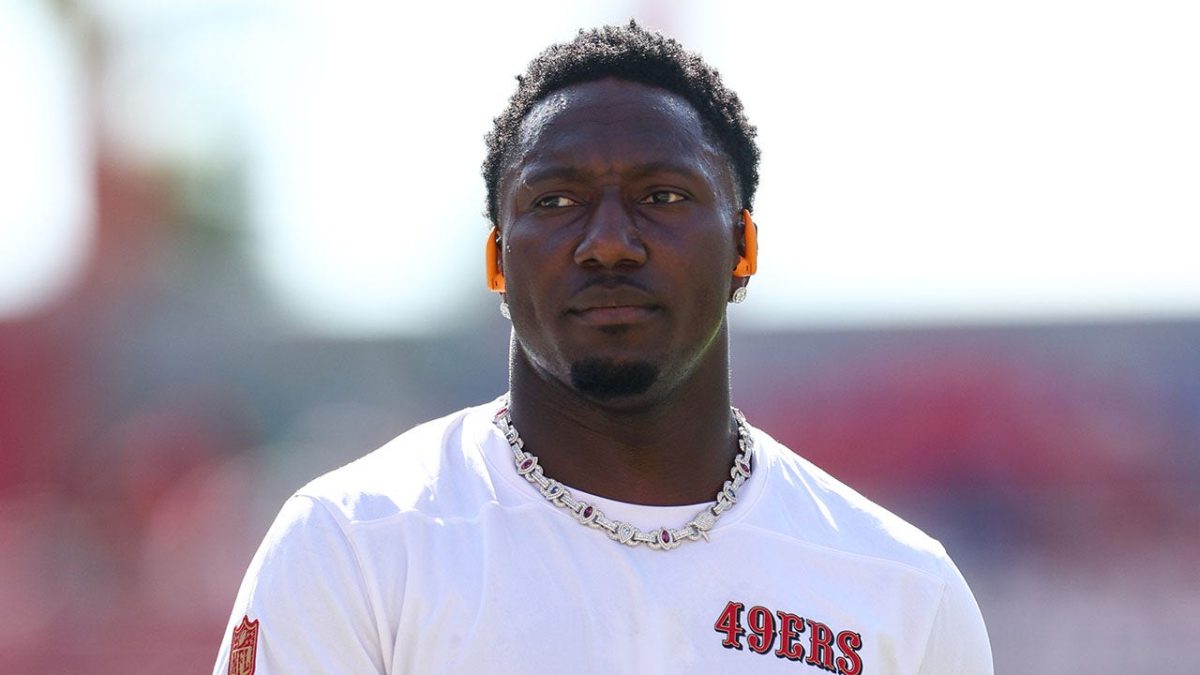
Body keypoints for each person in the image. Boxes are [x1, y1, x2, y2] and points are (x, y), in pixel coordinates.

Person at [214, 21, 992, 675]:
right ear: (497, 261)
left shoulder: (902, 589)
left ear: (743, 246)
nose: (610, 242)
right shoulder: (356, 543)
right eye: (556, 200)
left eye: (663, 196)